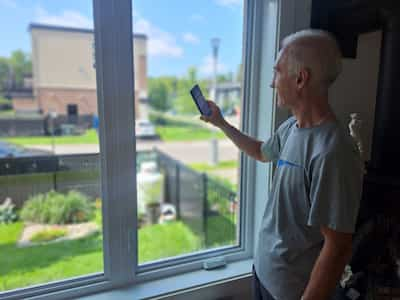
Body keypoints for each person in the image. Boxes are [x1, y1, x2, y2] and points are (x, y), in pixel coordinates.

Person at [200, 29, 363, 300]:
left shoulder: (333, 153)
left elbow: (337, 248)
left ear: (300, 79)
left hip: (290, 290)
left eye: (277, 72)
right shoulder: (291, 128)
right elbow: (262, 152)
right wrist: (221, 123)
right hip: (265, 273)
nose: (272, 83)